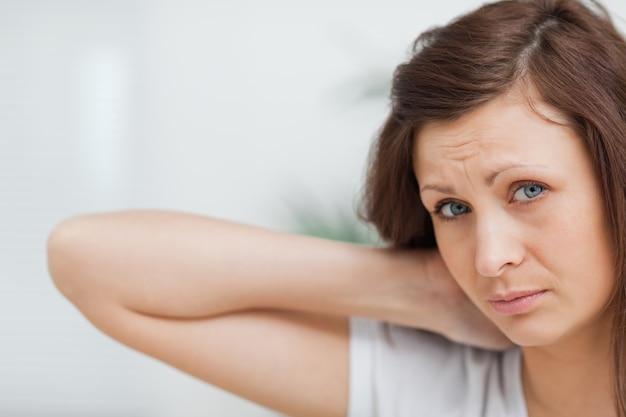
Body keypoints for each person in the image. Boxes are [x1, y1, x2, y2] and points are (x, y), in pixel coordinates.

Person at [47, 0, 626, 415]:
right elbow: (86, 259)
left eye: (528, 190)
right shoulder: (423, 385)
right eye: (451, 208)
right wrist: (423, 288)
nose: (488, 259)